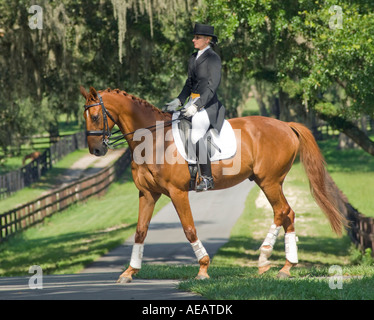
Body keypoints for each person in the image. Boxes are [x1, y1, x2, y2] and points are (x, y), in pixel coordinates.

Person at [166, 23, 225, 192]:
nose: (194, 40)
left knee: (196, 132)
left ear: (207, 40)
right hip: (191, 103)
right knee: (175, 123)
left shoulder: (213, 59)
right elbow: (189, 83)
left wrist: (197, 106)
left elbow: (212, 87)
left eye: (197, 37)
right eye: (194, 37)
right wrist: (178, 101)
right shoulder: (193, 58)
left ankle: (207, 178)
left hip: (209, 106)